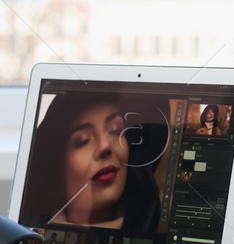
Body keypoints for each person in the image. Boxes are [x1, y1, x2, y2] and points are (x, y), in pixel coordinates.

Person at [20, 92, 162, 233]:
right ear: (56, 168)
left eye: (115, 130)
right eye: (84, 140)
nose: (105, 146)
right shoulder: (31, 239)